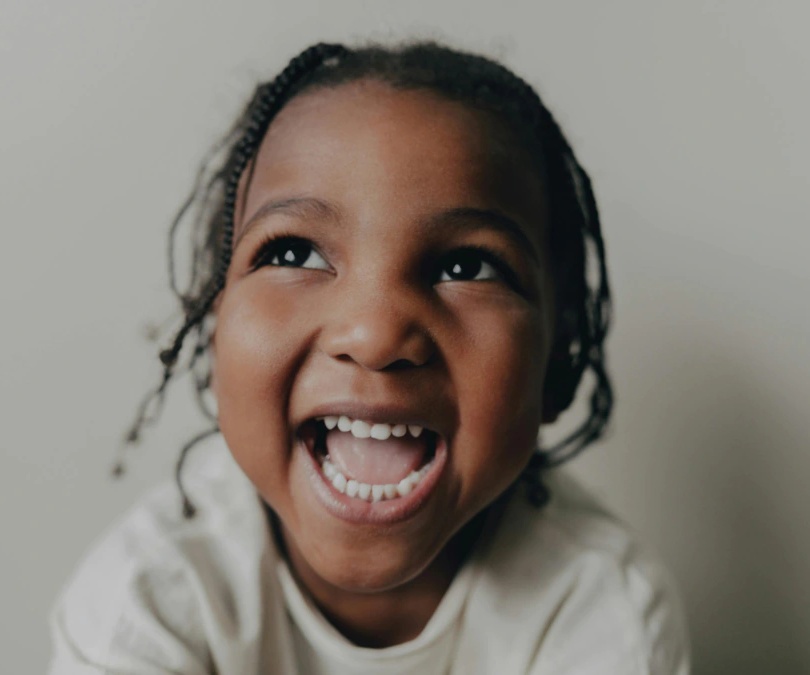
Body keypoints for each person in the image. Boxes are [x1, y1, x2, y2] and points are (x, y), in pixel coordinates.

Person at [47, 40, 690, 674]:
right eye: (294, 253)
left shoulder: (601, 611)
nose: (374, 335)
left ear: (559, 357)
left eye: (467, 265)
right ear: (214, 325)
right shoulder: (144, 606)